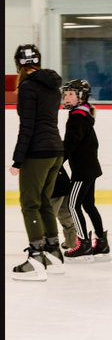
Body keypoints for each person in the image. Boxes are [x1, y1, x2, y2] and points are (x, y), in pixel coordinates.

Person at [9, 44, 66, 281]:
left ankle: (35, 257)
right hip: (56, 150)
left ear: (19, 64)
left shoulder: (27, 87)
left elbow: (28, 127)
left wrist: (17, 160)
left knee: (29, 203)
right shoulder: (52, 87)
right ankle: (53, 252)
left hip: (38, 153)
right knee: (43, 200)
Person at [59, 79, 110, 262]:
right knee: (88, 205)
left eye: (71, 94)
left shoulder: (77, 117)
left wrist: (57, 162)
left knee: (73, 205)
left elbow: (70, 144)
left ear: (81, 97)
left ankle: (83, 244)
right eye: (65, 94)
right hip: (89, 169)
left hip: (82, 171)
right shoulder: (84, 114)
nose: (66, 97)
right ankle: (102, 244)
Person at [50, 165, 76, 250]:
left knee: (47, 219)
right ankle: (71, 242)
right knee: (66, 216)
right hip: (64, 183)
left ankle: (48, 246)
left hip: (53, 186)